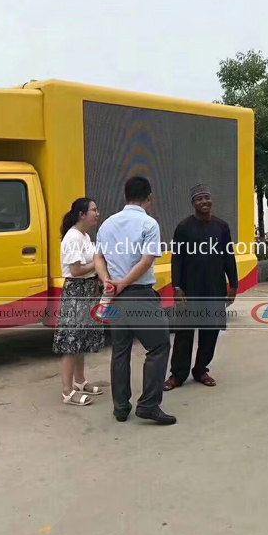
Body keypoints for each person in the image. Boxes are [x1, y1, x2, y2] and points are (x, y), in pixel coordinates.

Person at [94, 176, 176, 425]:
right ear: (149, 198)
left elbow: (98, 258)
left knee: (120, 351)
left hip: (115, 298)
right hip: (139, 296)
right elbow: (146, 261)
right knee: (159, 347)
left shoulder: (107, 224)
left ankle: (120, 407)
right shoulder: (149, 224)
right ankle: (149, 405)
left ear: (125, 195)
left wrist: (109, 280)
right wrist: (124, 283)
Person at [164, 184, 238, 391]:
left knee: (210, 332)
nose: (204, 201)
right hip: (190, 290)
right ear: (193, 203)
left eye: (207, 197)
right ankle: (177, 375)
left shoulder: (221, 227)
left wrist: (234, 284)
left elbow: (228, 256)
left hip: (214, 289)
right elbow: (176, 258)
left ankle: (201, 370)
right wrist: (177, 287)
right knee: (184, 334)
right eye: (199, 199)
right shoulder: (184, 227)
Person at [53, 198, 106, 405]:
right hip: (76, 291)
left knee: (81, 339)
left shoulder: (84, 236)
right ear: (82, 215)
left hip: (87, 290)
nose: (97, 213)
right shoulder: (73, 237)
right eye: (93, 210)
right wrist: (98, 262)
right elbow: (75, 270)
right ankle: (67, 391)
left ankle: (81, 381)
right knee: (70, 342)